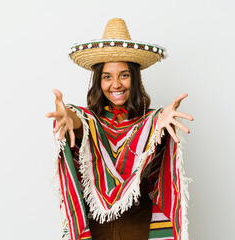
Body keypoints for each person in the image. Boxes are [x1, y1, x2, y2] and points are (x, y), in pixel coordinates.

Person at [46, 18, 194, 240]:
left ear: (135, 78)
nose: (116, 84)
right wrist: (69, 115)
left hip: (138, 224)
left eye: (124, 75)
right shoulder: (90, 122)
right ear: (98, 81)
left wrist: (159, 122)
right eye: (107, 77)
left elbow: (153, 130)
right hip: (97, 226)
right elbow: (82, 124)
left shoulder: (151, 121)